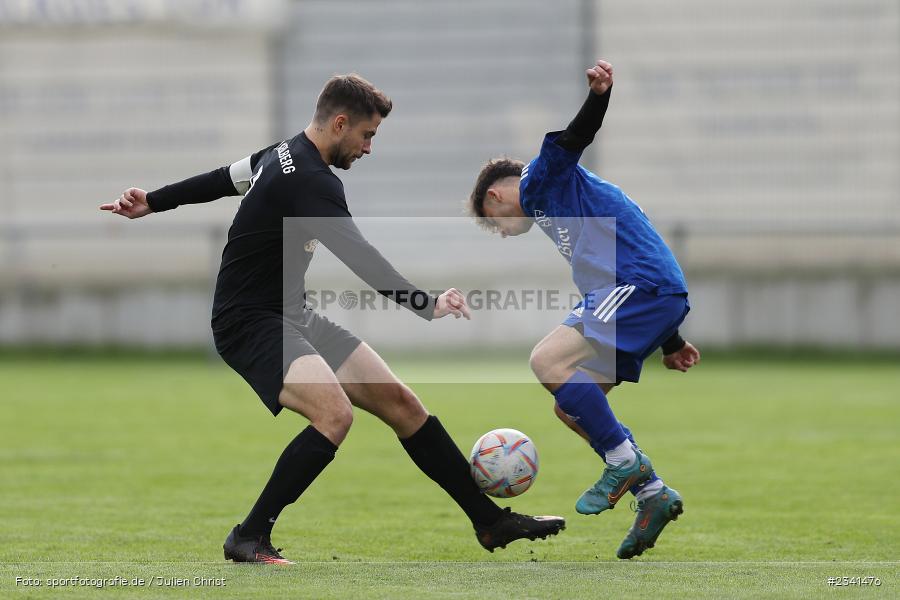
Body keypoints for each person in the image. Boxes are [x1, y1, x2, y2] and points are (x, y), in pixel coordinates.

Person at [101, 73, 564, 563]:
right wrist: (426, 305)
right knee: (334, 414)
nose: (368, 148)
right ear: (340, 123)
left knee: (403, 405)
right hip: (248, 320)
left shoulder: (279, 154)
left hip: (291, 313)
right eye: (367, 135)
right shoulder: (314, 181)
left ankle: (490, 522)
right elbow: (360, 257)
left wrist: (154, 200)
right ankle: (248, 536)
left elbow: (221, 179)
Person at [467, 60, 700, 559]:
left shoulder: (536, 182)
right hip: (647, 295)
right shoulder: (562, 207)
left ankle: (623, 463)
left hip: (641, 287)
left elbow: (575, 138)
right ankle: (653, 494)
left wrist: (599, 95)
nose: (505, 233)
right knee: (570, 403)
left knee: (546, 362)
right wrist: (672, 340)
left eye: (496, 224)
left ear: (495, 197)